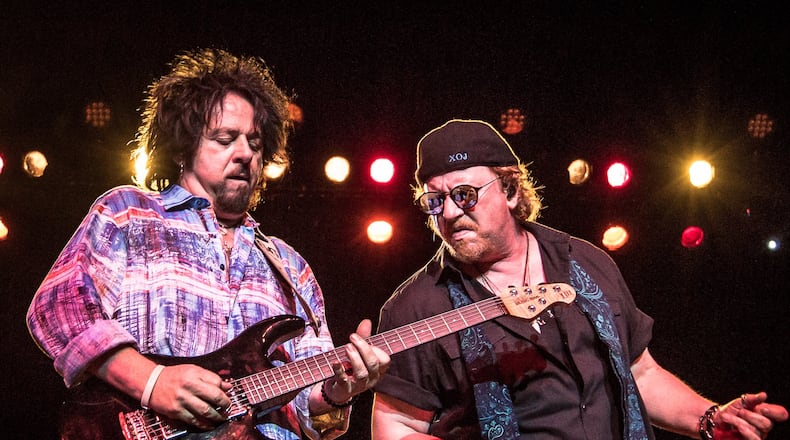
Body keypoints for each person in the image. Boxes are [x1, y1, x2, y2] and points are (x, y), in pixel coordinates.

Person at [27, 48, 389, 440]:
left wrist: (337, 393)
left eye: (254, 141)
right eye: (225, 138)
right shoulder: (128, 214)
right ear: (183, 146)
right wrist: (153, 382)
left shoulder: (290, 267)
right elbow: (56, 311)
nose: (245, 153)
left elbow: (310, 414)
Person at [371, 119, 787, 439]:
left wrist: (708, 418)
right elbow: (394, 425)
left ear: (512, 190)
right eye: (436, 200)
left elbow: (640, 373)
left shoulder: (585, 261)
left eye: (465, 195)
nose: (449, 212)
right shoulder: (417, 306)